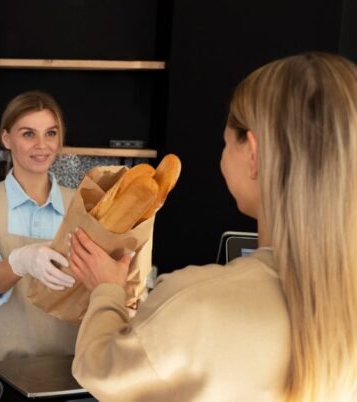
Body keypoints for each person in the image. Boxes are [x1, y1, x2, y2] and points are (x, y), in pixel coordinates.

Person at [69, 52, 357, 401]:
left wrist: (107, 291)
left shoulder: (196, 302)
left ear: (253, 154)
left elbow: (100, 370)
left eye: (226, 142)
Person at [0, 90, 78, 363]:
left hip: (64, 365)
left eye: (51, 133)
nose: (42, 145)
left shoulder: (83, 206)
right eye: (28, 134)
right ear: (7, 138)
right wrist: (21, 262)